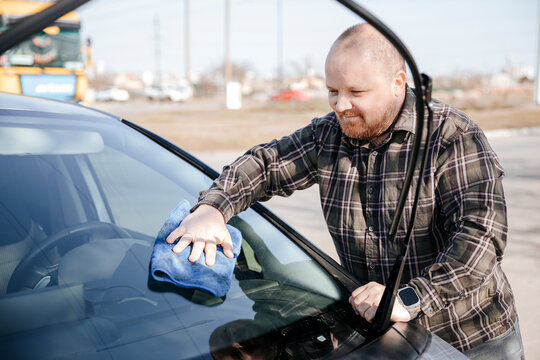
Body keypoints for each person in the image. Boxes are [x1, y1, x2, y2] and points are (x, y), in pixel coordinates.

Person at [165, 24, 523, 358]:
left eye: (356, 92)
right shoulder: (330, 135)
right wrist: (212, 209)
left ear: (398, 83)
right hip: (381, 338)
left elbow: (481, 237)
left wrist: (412, 296)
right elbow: (265, 164)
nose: (340, 105)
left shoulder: (452, 137)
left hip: (471, 338)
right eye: (332, 91)